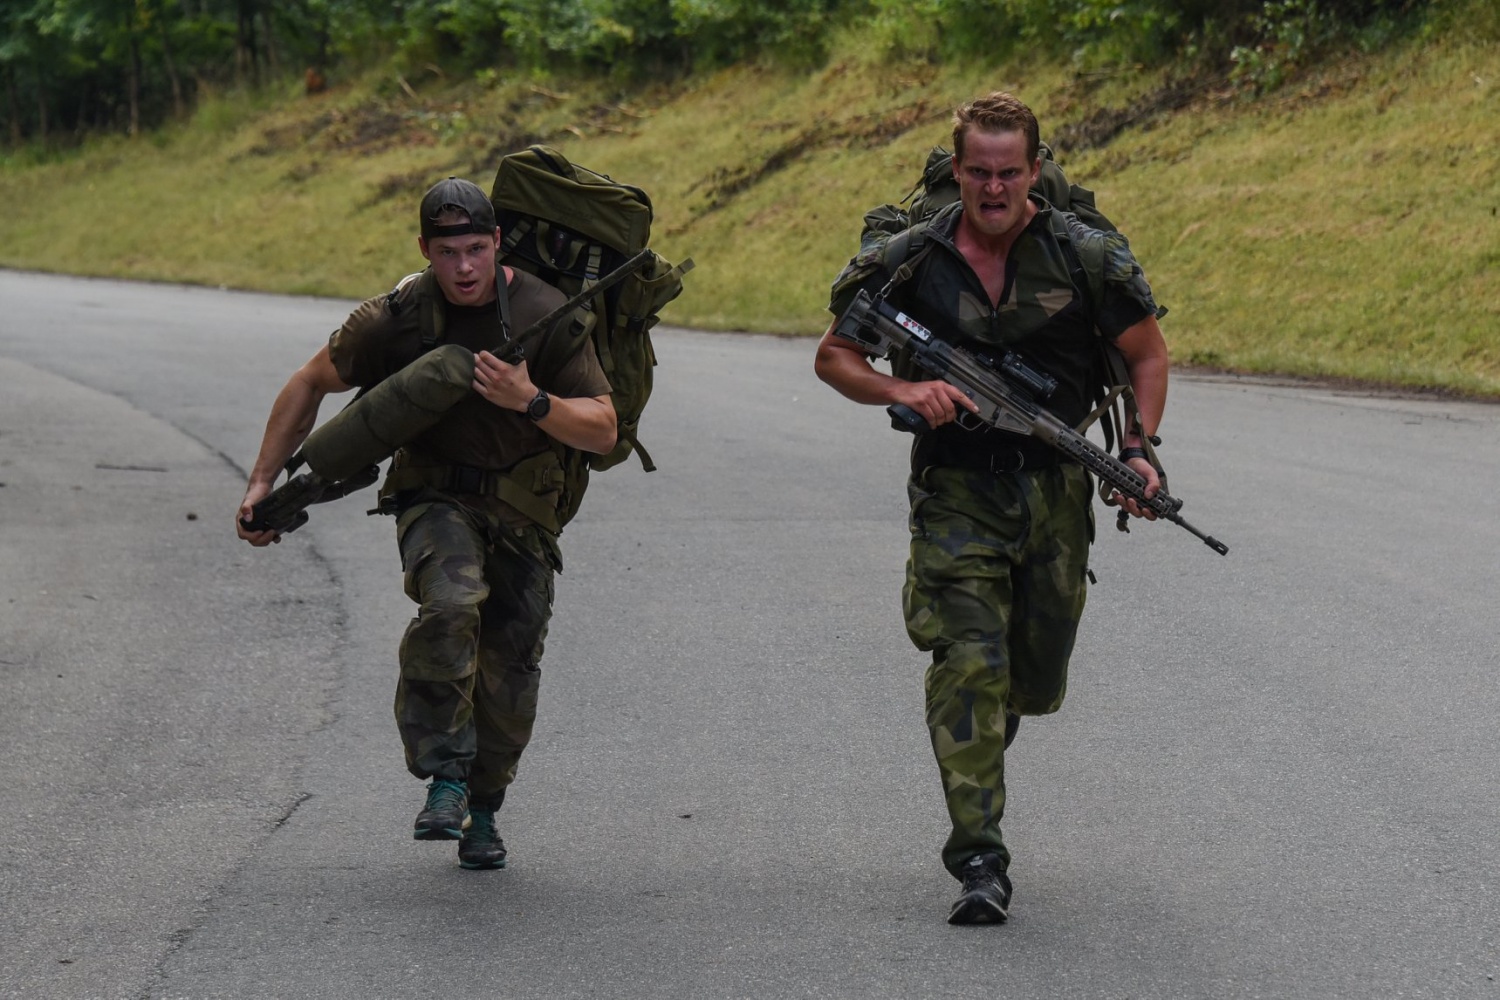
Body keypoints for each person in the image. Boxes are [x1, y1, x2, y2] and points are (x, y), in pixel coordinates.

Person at [814, 92, 1169, 925]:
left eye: (1010, 172)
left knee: (1032, 681)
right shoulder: (910, 259)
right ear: (959, 168)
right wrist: (904, 387)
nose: (995, 188)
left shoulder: (1085, 258)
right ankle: (979, 858)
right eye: (979, 171)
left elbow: (1146, 354)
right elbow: (835, 355)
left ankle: (980, 747)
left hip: (1055, 489)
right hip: (956, 488)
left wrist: (1137, 450)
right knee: (968, 661)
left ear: (1035, 171)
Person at [236, 177, 616, 870]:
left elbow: (603, 428)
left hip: (527, 511)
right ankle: (444, 776)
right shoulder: (400, 314)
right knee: (451, 602)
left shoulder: (546, 310)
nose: (463, 267)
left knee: (510, 671)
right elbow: (310, 382)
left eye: (475, 249)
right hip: (434, 500)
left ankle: (484, 809)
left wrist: (529, 399)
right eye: (448, 252)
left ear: (497, 242)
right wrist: (262, 481)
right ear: (424, 250)